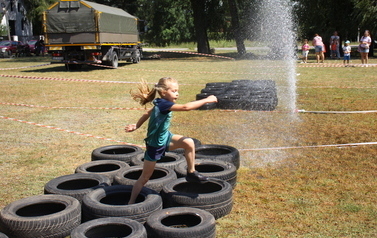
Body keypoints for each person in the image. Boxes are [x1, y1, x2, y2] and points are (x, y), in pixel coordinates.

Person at [125, 77, 218, 204]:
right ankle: (130, 203)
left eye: (177, 91)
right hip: (155, 145)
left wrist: (136, 126)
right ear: (164, 92)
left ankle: (191, 172)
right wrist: (207, 100)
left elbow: (147, 113)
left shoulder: (159, 102)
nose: (177, 93)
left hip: (166, 137)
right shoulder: (164, 104)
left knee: (189, 142)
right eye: (174, 91)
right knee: (145, 177)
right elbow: (186, 107)